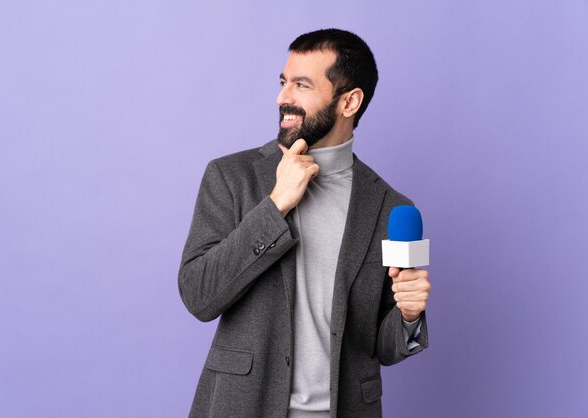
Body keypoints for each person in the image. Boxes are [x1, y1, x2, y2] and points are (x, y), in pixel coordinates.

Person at [178, 28, 432, 418]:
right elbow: (199, 296)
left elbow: (385, 347)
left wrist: (410, 318)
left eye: (301, 85)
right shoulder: (232, 178)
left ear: (349, 102)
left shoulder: (389, 207)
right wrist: (276, 203)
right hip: (243, 407)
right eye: (283, 82)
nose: (283, 97)